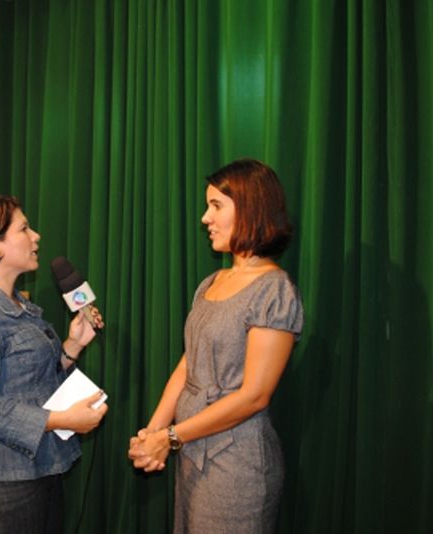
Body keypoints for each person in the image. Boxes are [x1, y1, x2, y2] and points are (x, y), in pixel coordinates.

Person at [128, 159, 304, 533]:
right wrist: (153, 432)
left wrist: (171, 437)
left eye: (216, 206)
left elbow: (254, 396)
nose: (205, 218)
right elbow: (189, 364)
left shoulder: (274, 289)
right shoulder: (212, 281)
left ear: (252, 208)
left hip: (237, 462)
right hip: (192, 450)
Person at [0, 195, 108, 534]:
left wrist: (73, 345)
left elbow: (33, 380)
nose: (37, 237)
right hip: (1, 478)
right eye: (25, 229)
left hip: (41, 467)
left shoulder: (22, 307)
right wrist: (61, 419)